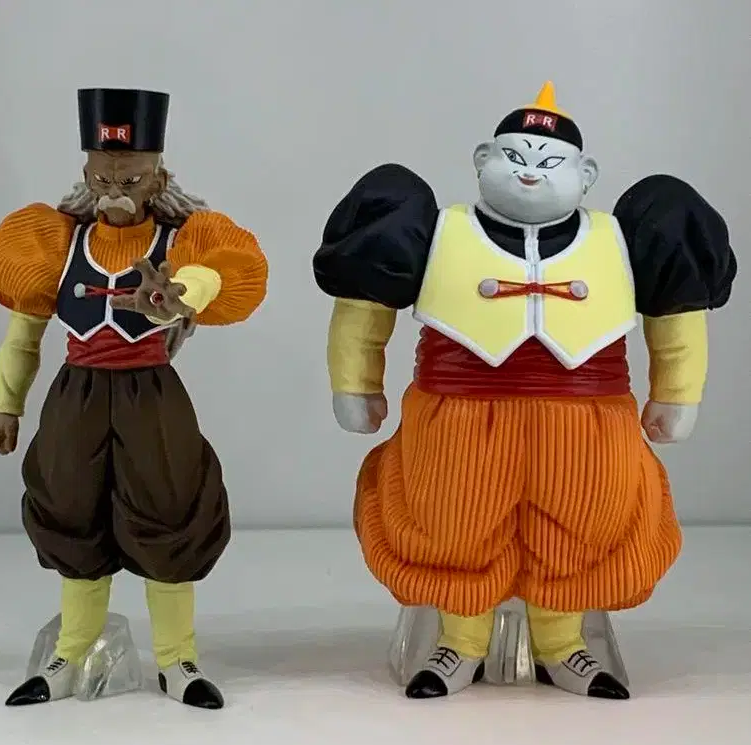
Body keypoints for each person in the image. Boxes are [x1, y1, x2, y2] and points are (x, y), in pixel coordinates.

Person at [312, 81, 736, 701]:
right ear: (482, 159)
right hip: (458, 415)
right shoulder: (433, 228)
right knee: (452, 524)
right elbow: (365, 303)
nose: (530, 171)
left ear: (587, 175)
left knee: (583, 528)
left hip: (587, 421)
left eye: (551, 161)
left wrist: (677, 393)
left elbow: (677, 315)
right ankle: (460, 641)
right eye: (514, 156)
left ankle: (563, 643)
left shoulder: (626, 235)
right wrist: (356, 381)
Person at [0, 87, 268, 709]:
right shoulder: (57, 244)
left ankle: (177, 658)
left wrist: (180, 294)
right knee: (71, 512)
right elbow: (23, 335)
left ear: (158, 179)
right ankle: (71, 652)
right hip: (75, 396)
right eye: (104, 177)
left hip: (151, 396)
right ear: (86, 175)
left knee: (170, 512)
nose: (115, 190)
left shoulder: (177, 244)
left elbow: (215, 270)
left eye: (131, 179)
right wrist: (7, 404)